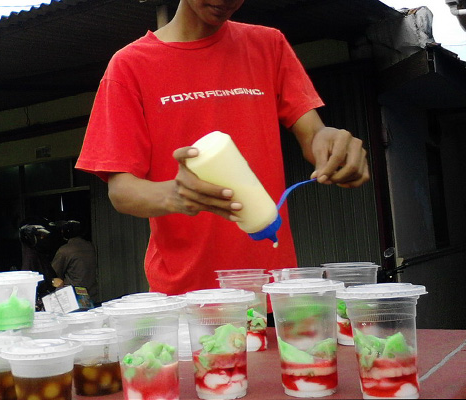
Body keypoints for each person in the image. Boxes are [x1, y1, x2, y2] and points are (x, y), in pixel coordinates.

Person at [75, 0, 370, 296]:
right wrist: (177, 194)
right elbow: (122, 191)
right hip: (186, 296)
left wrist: (332, 146)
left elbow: (314, 134)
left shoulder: (268, 45)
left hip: (272, 289)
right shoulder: (130, 64)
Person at [50, 220, 99, 305]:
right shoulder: (90, 246)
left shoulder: (65, 250)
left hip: (73, 297)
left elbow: (53, 273)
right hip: (91, 294)